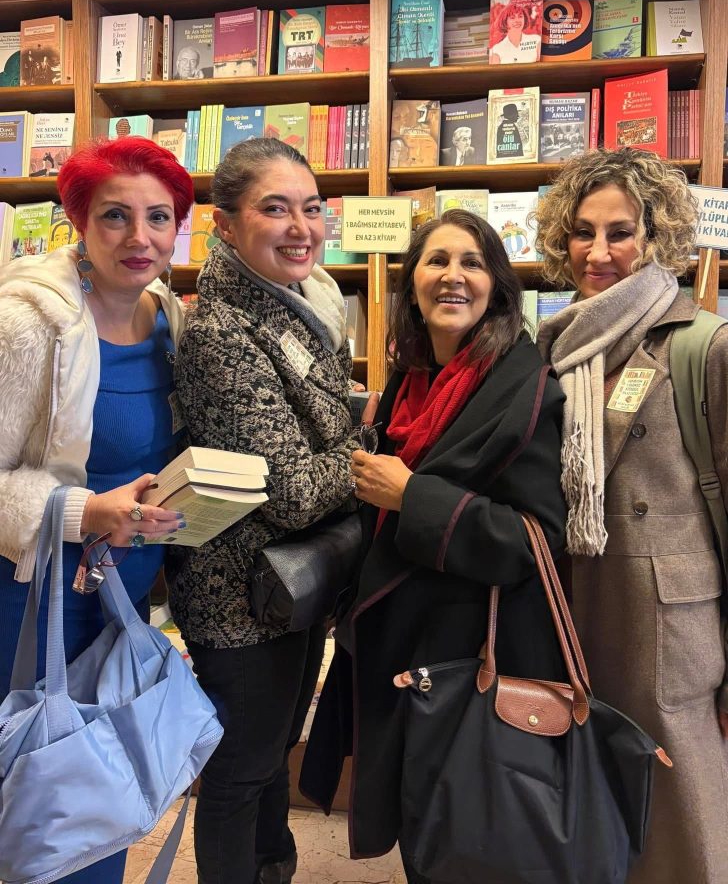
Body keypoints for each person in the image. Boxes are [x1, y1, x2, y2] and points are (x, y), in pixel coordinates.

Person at [301, 208, 567, 883]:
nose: (453, 276)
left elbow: (532, 540)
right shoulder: (410, 380)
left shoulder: (525, 386)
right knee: (422, 822)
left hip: (470, 650)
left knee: (466, 833)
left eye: (472, 263)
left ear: (497, 286)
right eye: (437, 261)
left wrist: (411, 496)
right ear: (413, 282)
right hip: (405, 641)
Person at [167, 136, 377, 884]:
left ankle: (272, 870)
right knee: (240, 771)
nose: (301, 227)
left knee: (268, 758)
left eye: (311, 208)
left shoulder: (297, 304)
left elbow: (312, 439)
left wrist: (343, 440)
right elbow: (291, 495)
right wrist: (367, 451)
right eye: (275, 209)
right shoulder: (224, 331)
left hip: (288, 588)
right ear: (225, 225)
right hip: (240, 595)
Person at [0, 136, 194, 884]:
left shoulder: (167, 319)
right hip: (28, 604)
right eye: (116, 216)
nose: (139, 237)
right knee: (36, 804)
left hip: (119, 601)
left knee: (97, 802)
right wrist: (84, 512)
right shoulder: (28, 325)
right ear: (78, 221)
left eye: (158, 217)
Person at [535, 147, 728, 884]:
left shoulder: (703, 345)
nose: (599, 253)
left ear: (656, 237)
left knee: (680, 819)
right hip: (573, 608)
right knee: (585, 808)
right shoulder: (554, 348)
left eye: (620, 232)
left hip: (668, 630)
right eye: (583, 232)